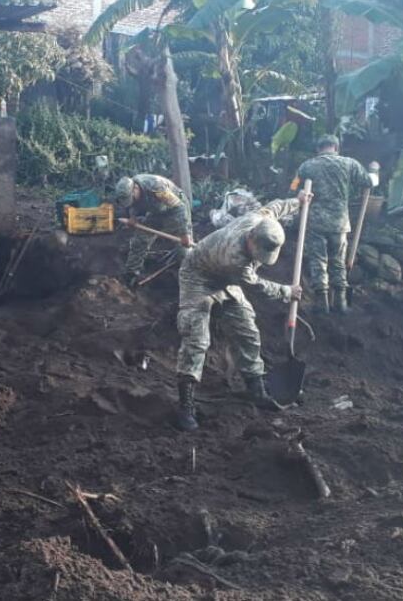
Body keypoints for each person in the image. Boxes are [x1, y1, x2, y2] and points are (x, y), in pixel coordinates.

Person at [174, 204, 303, 431]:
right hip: (198, 277)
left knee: (247, 329)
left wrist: (298, 201)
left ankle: (256, 389)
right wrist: (287, 291)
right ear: (251, 239)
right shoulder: (236, 258)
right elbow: (257, 286)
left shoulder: (259, 219)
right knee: (196, 338)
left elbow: (275, 207)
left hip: (223, 278)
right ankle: (186, 404)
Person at [295, 135, 377, 313]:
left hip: (314, 222)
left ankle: (321, 303)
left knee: (318, 261)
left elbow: (294, 188)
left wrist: (299, 193)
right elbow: (369, 182)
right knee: (338, 261)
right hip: (339, 223)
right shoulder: (349, 164)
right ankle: (341, 303)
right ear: (336, 148)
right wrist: (375, 171)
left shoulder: (307, 166)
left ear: (318, 149)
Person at [114, 174, 193, 286]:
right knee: (140, 239)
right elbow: (132, 206)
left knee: (183, 249)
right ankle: (131, 274)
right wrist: (133, 218)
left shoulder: (155, 187)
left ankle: (190, 279)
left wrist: (185, 234)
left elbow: (179, 208)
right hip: (157, 211)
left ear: (135, 188)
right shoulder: (130, 192)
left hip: (176, 209)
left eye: (132, 198)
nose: (131, 201)